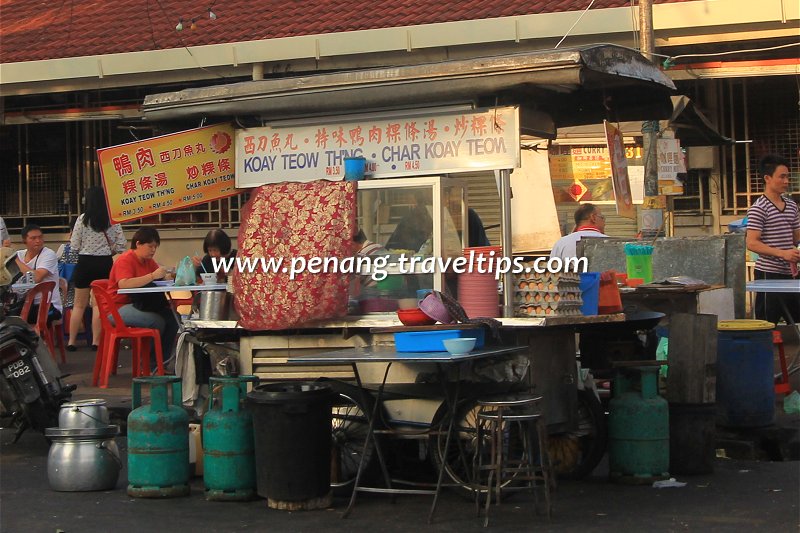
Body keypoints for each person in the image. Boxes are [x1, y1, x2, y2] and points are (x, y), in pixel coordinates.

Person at [108, 227, 179, 367]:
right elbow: (124, 284)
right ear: (138, 244)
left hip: (140, 303)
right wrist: (152, 276)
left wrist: (173, 273)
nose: (153, 250)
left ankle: (161, 364)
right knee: (157, 322)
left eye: (155, 247)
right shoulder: (125, 260)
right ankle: (149, 365)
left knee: (173, 318)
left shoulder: (148, 260)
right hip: (118, 307)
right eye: (150, 246)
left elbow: (161, 276)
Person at [67, 187, 127, 351]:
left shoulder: (81, 220)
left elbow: (73, 246)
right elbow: (122, 245)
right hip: (104, 264)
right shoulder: (112, 221)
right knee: (99, 305)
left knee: (78, 305)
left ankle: (71, 342)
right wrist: (109, 250)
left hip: (85, 263)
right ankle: (96, 342)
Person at [746, 154, 800, 324]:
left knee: (797, 320)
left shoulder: (791, 206)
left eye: (787, 177)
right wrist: (782, 253)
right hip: (768, 274)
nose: (786, 181)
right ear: (767, 178)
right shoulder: (759, 208)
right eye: (782, 176)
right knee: (766, 323)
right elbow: (752, 243)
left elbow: (797, 237)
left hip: (791, 274)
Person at [14, 224, 62, 324]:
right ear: (24, 241)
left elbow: (37, 277)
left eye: (40, 237)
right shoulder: (19, 254)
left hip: (48, 306)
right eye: (33, 238)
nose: (38, 241)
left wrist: (15, 260)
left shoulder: (48, 254)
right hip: (24, 304)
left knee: (13, 320)